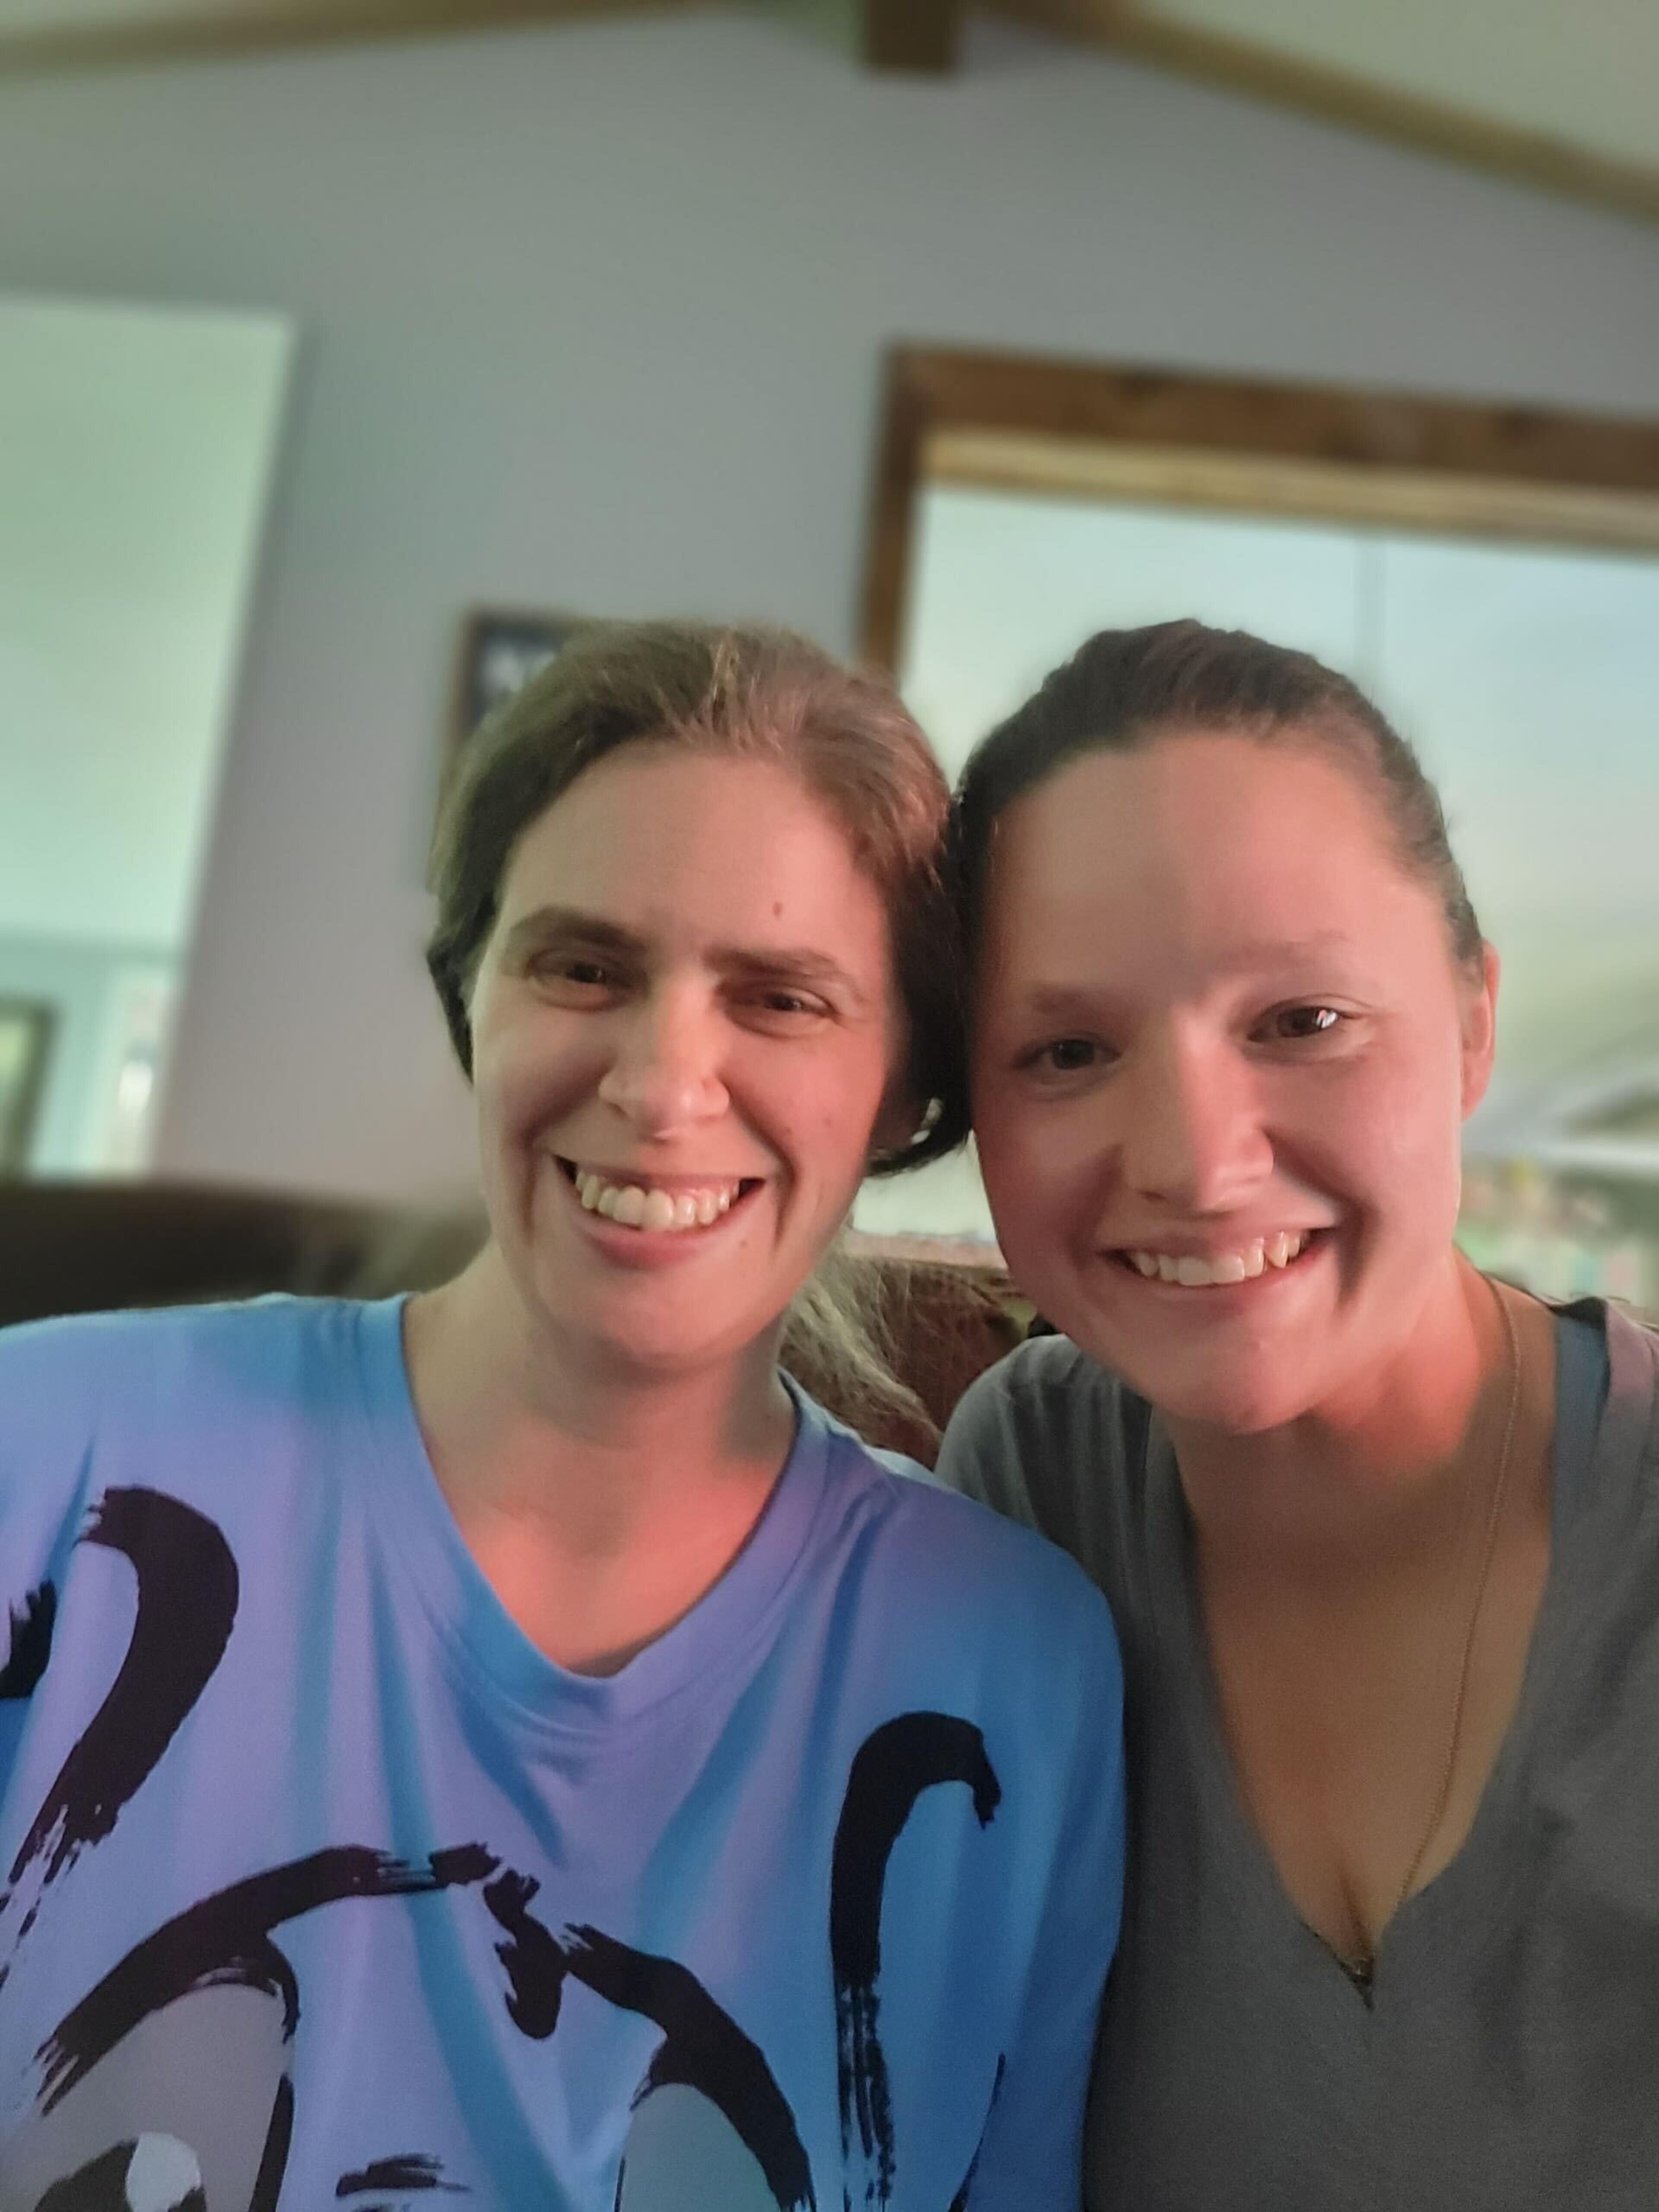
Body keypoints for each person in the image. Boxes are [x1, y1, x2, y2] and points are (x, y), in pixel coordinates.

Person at [0, 623, 1124, 2211]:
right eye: (584, 966)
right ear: (474, 997)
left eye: (782, 998)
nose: (667, 1084)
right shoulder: (47, 1465)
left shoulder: (1019, 1680)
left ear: (901, 1094)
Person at [934, 619, 1659, 2210]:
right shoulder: (1029, 1488)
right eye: (1066, 1049)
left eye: (1302, 1021)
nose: (1196, 1163)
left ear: (1472, 1019)